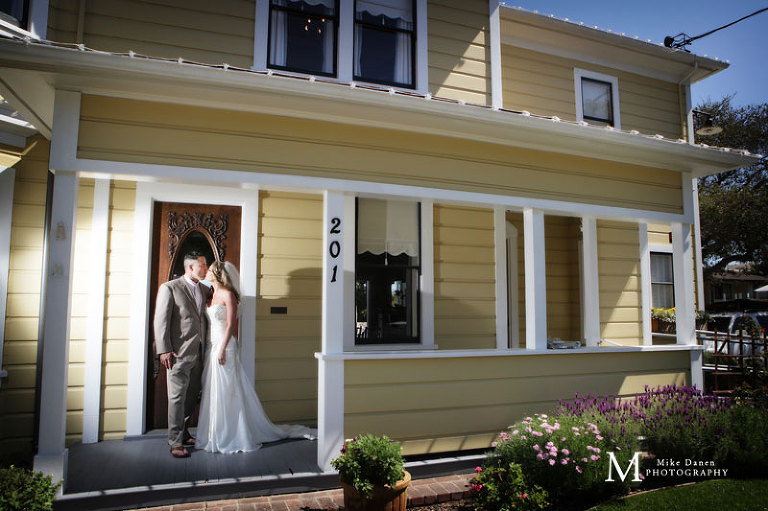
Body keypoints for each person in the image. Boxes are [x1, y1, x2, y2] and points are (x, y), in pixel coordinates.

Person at [196, 260, 315, 453]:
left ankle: (233, 434)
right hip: (213, 346)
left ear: (217, 274)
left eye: (210, 270)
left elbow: (230, 325)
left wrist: (222, 347)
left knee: (229, 390)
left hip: (225, 347)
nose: (207, 272)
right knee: (215, 391)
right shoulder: (211, 294)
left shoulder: (228, 295)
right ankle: (215, 433)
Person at [154, 251, 212, 458]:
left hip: (199, 352)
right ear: (190, 267)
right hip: (177, 353)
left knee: (191, 395)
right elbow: (161, 321)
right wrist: (164, 349)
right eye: (203, 265)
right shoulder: (170, 288)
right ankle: (175, 441)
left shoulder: (205, 289)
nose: (206, 268)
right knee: (176, 397)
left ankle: (185, 431)